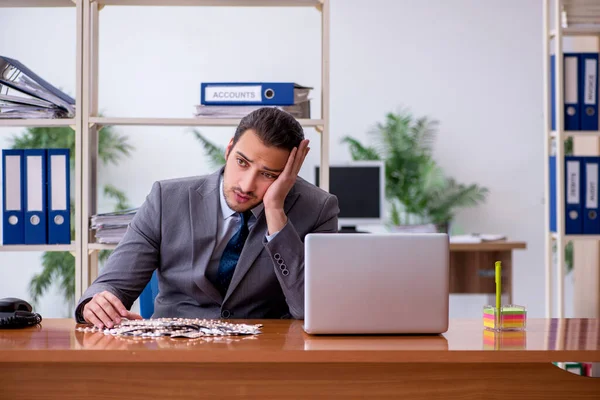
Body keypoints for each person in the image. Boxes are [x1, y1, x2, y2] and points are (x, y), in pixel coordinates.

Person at [75, 107, 340, 328]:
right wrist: (97, 303)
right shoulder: (166, 199)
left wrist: (275, 211)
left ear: (288, 176)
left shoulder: (318, 209)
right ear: (228, 150)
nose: (247, 185)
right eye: (242, 163)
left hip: (265, 359)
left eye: (268, 174)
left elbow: (309, 310)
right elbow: (112, 284)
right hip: (176, 355)